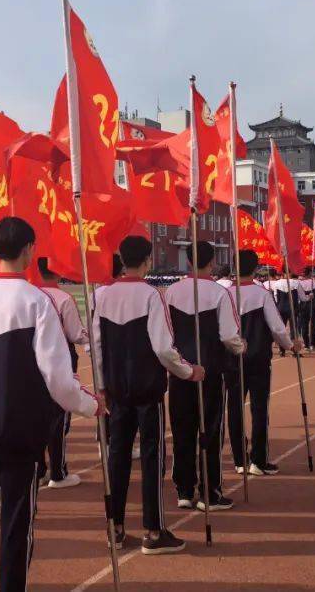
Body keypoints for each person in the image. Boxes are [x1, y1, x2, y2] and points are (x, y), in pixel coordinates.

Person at [0, 217, 102, 592]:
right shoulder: (37, 301)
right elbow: (58, 378)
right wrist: (91, 406)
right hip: (19, 432)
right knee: (17, 528)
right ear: (30, 250)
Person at [93, 235, 204, 554]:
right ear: (147, 261)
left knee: (117, 455)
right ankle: (154, 531)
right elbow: (162, 347)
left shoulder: (102, 295)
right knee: (152, 455)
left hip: (115, 387)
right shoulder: (152, 295)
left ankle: (115, 526)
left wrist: (102, 385)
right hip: (147, 388)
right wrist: (188, 371)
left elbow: (96, 346)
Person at [164, 241, 244, 511]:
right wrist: (241, 347)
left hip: (179, 371)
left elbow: (165, 334)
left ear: (188, 261)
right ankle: (210, 491)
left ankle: (184, 490)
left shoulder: (170, 292)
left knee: (182, 429)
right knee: (210, 431)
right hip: (210, 369)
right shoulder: (220, 293)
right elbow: (229, 335)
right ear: (211, 262)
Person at [226, 249, 301, 477]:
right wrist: (290, 345)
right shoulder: (261, 295)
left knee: (234, 408)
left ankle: (239, 459)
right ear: (256, 268)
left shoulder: (225, 294)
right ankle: (258, 460)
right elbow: (277, 327)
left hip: (232, 359)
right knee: (259, 409)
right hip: (258, 359)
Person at [34, 257, 89, 491]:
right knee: (59, 417)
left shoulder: (31, 294)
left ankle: (40, 469)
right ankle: (58, 471)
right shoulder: (64, 298)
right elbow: (76, 333)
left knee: (36, 416)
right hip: (60, 359)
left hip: (34, 360)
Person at [298, 266, 315, 350]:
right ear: (310, 273)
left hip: (303, 305)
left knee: (304, 325)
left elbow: (299, 297)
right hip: (313, 305)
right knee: (313, 324)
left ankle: (306, 344)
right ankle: (313, 344)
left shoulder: (299, 283)